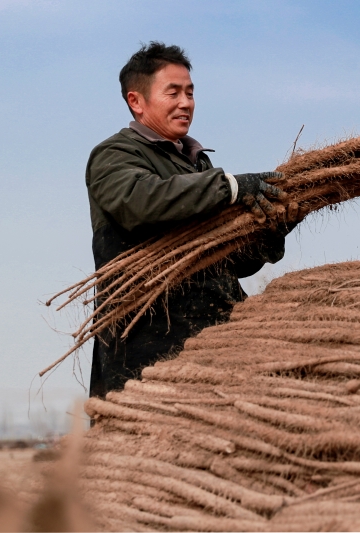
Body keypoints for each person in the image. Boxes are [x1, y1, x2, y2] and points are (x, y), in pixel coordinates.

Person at [86, 42, 290, 398]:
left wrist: (272, 228)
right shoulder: (113, 156)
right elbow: (139, 202)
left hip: (218, 340)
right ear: (137, 101)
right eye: (174, 92)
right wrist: (228, 187)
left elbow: (229, 263)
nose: (186, 103)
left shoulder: (198, 166)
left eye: (190, 93)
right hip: (149, 345)